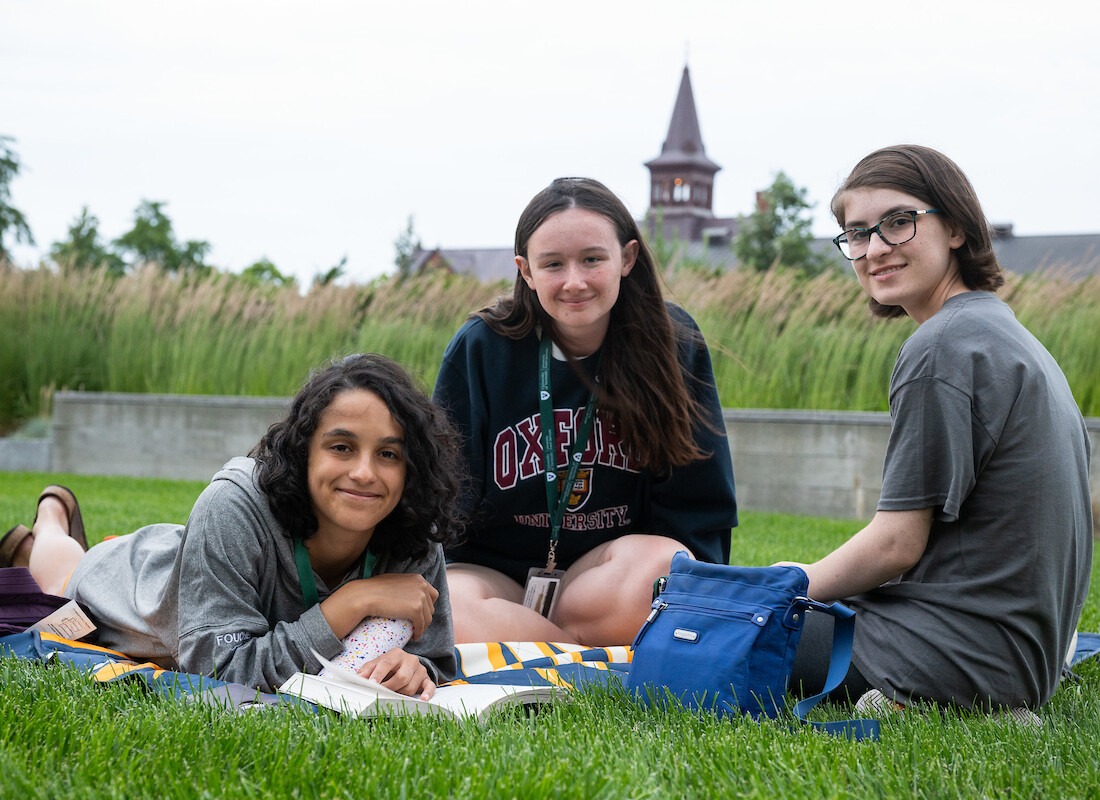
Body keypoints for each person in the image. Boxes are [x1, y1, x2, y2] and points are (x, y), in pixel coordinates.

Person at [786, 145, 1092, 715]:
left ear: (954, 227)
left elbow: (896, 545)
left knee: (712, 619)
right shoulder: (1011, 337)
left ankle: (918, 698)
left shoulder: (941, 347)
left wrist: (789, 581)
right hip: (1026, 657)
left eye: (898, 223)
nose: (875, 248)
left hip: (950, 656)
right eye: (857, 233)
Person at [0, 354, 465, 697]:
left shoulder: (412, 524)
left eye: (388, 454)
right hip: (127, 584)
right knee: (62, 576)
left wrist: (413, 666)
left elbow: (439, 657)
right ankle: (49, 521)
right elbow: (217, 673)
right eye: (341, 447)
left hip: (195, 559)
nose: (365, 472)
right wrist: (351, 602)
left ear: (412, 467)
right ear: (304, 452)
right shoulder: (236, 503)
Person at [433, 177, 737, 646]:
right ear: (526, 272)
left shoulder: (672, 341)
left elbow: (697, 495)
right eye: (553, 264)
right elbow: (444, 490)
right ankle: (586, 651)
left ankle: (530, 645)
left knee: (665, 567)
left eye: (593, 259)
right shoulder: (482, 347)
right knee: (445, 605)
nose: (574, 281)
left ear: (627, 259)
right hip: (496, 577)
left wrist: (692, 590)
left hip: (604, 577)